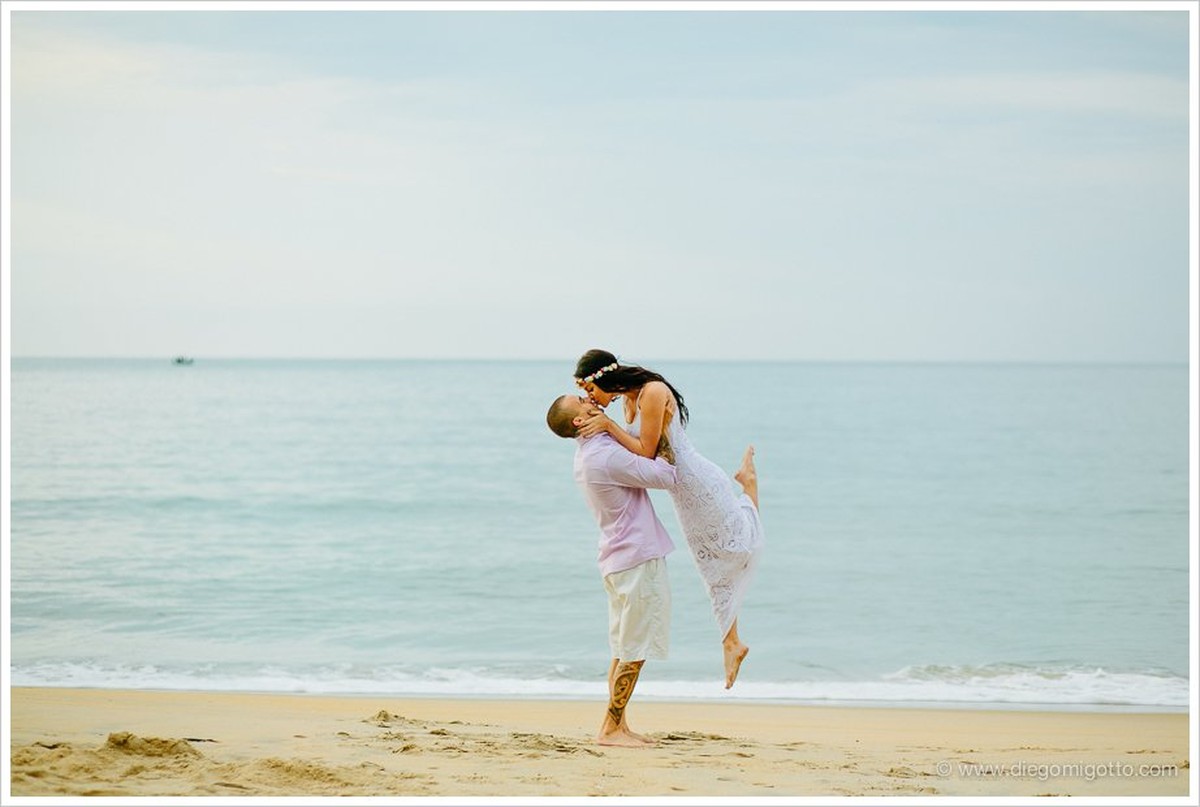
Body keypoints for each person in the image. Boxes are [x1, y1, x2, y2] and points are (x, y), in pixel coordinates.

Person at [573, 349, 763, 689]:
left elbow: (645, 451)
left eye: (589, 390)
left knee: (736, 546)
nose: (591, 399)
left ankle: (748, 485)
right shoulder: (630, 401)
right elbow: (639, 452)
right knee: (709, 565)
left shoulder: (652, 391)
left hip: (699, 482)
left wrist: (609, 426)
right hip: (680, 493)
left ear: (601, 377)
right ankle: (732, 641)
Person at [547, 393, 678, 747]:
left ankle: (619, 725)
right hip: (636, 560)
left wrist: (622, 413)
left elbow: (626, 438)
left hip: (620, 559)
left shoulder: (596, 448)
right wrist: (664, 425)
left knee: (622, 648)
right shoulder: (604, 457)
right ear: (578, 421)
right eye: (582, 401)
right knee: (634, 650)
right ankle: (609, 728)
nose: (590, 399)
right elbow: (665, 475)